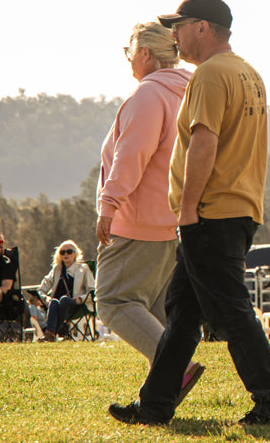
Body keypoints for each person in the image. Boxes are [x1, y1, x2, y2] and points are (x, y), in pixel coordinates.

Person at [108, 0, 270, 426]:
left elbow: (204, 143)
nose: (175, 34)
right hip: (239, 207)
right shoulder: (248, 73)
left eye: (181, 24)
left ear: (203, 28)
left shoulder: (209, 76)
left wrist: (188, 210)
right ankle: (155, 406)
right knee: (183, 311)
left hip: (210, 212)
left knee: (230, 309)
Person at [95, 22, 193, 365]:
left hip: (137, 220)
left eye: (129, 51)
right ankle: (160, 392)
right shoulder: (189, 91)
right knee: (153, 310)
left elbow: (131, 156)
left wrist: (108, 206)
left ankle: (176, 368)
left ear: (146, 54)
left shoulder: (149, 94)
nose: (129, 59)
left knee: (113, 301)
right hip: (172, 221)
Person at [36, 240, 96, 342]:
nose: (66, 254)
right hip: (56, 306)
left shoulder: (83, 268)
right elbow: (41, 289)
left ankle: (55, 332)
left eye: (69, 251)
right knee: (54, 301)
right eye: (62, 252)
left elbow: (92, 291)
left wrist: (80, 299)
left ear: (75, 253)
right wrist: (47, 299)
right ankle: (51, 333)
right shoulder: (57, 269)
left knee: (64, 299)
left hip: (76, 304)